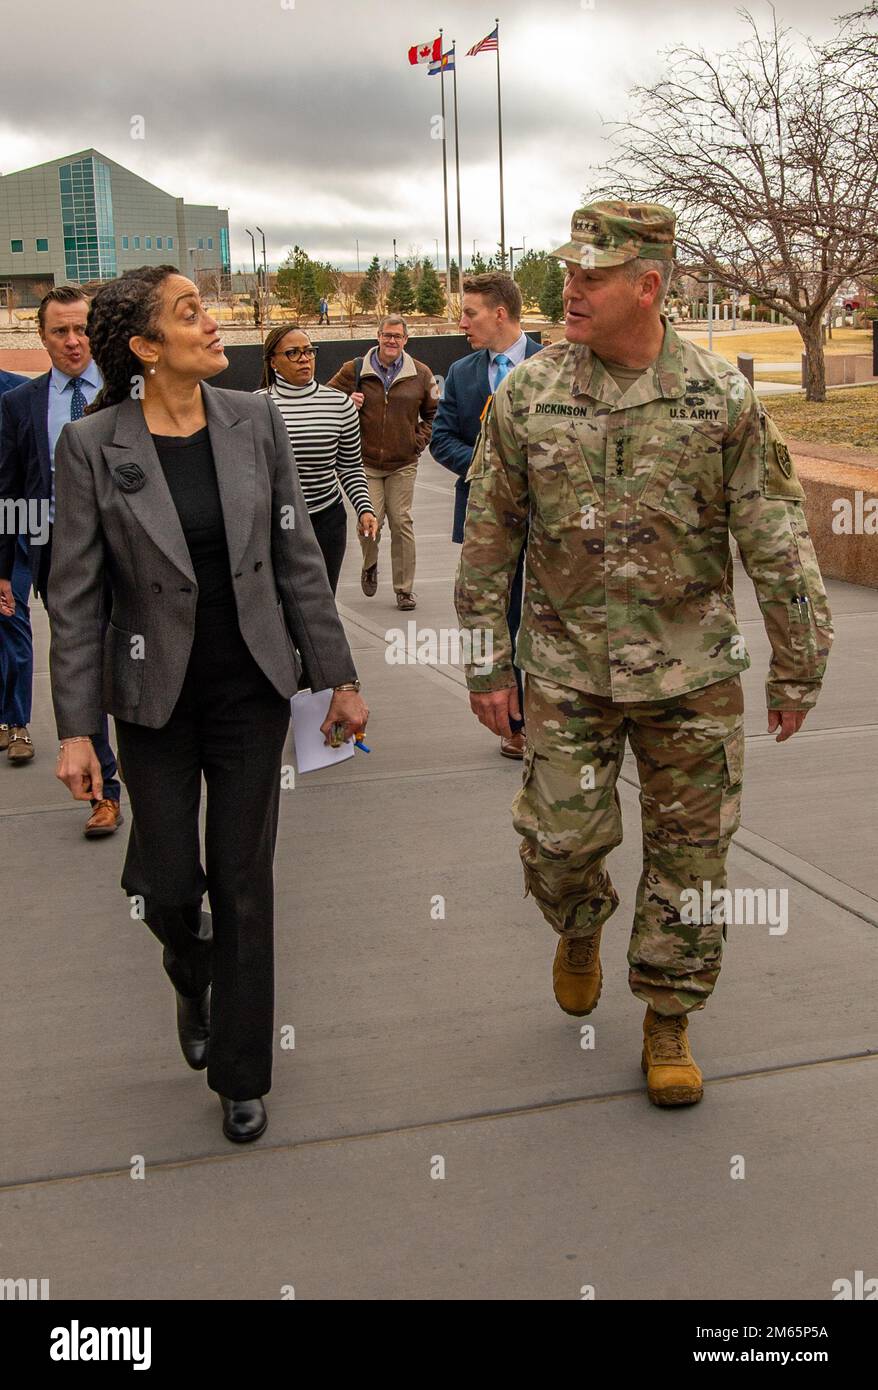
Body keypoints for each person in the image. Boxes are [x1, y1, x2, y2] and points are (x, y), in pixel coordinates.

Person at [455, 201, 833, 1108]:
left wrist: (798, 661)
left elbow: (777, 537)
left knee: (693, 859)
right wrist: (485, 665)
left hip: (691, 677)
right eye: (569, 272)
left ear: (648, 286)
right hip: (566, 671)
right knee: (557, 845)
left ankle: (668, 1016)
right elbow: (489, 539)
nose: (569, 290)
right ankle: (578, 922)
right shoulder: (530, 394)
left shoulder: (722, 398)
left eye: (592, 276)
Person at [49, 264, 368, 1143]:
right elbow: (75, 598)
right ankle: (191, 973)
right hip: (150, 699)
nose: (213, 323)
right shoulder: (90, 445)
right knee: (169, 888)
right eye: (191, 313)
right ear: (147, 347)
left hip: (248, 690)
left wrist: (339, 676)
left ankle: (240, 1071)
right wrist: (75, 731)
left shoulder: (254, 420)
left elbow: (298, 555)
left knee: (242, 880)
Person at [0, 288, 122, 833]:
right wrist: (5, 569)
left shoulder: (128, 393)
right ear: (42, 337)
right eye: (59, 331)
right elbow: (12, 492)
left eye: (82, 329)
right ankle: (105, 790)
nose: (73, 342)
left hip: (135, 552)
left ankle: (170, 772)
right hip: (58, 556)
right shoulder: (20, 403)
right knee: (80, 664)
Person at [432, 273, 543, 759]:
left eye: (470, 312)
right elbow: (441, 439)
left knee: (548, 622)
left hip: (549, 523)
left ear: (501, 313)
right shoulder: (461, 373)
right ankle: (516, 724)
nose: (463, 323)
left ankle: (557, 719)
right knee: (500, 617)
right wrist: (488, 472)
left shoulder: (554, 365)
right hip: (485, 521)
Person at [256, 325, 377, 594]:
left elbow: (350, 466)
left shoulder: (339, 404)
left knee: (322, 599)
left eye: (309, 351)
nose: (304, 358)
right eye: (293, 353)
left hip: (326, 520)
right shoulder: (255, 407)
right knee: (280, 600)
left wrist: (364, 508)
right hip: (275, 521)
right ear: (273, 361)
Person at [329, 315, 437, 611]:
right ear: (377, 336)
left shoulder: (421, 374)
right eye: (387, 335)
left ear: (406, 340)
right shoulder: (353, 370)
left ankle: (404, 589)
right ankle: (370, 563)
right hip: (363, 463)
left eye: (397, 336)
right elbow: (327, 399)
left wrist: (417, 441)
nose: (392, 341)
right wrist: (346, 402)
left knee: (402, 521)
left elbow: (432, 414)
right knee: (369, 521)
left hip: (403, 462)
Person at [0, 367, 31, 762]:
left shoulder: (19, 393)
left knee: (12, 619)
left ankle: (18, 722)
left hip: (13, 530)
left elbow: (30, 471)